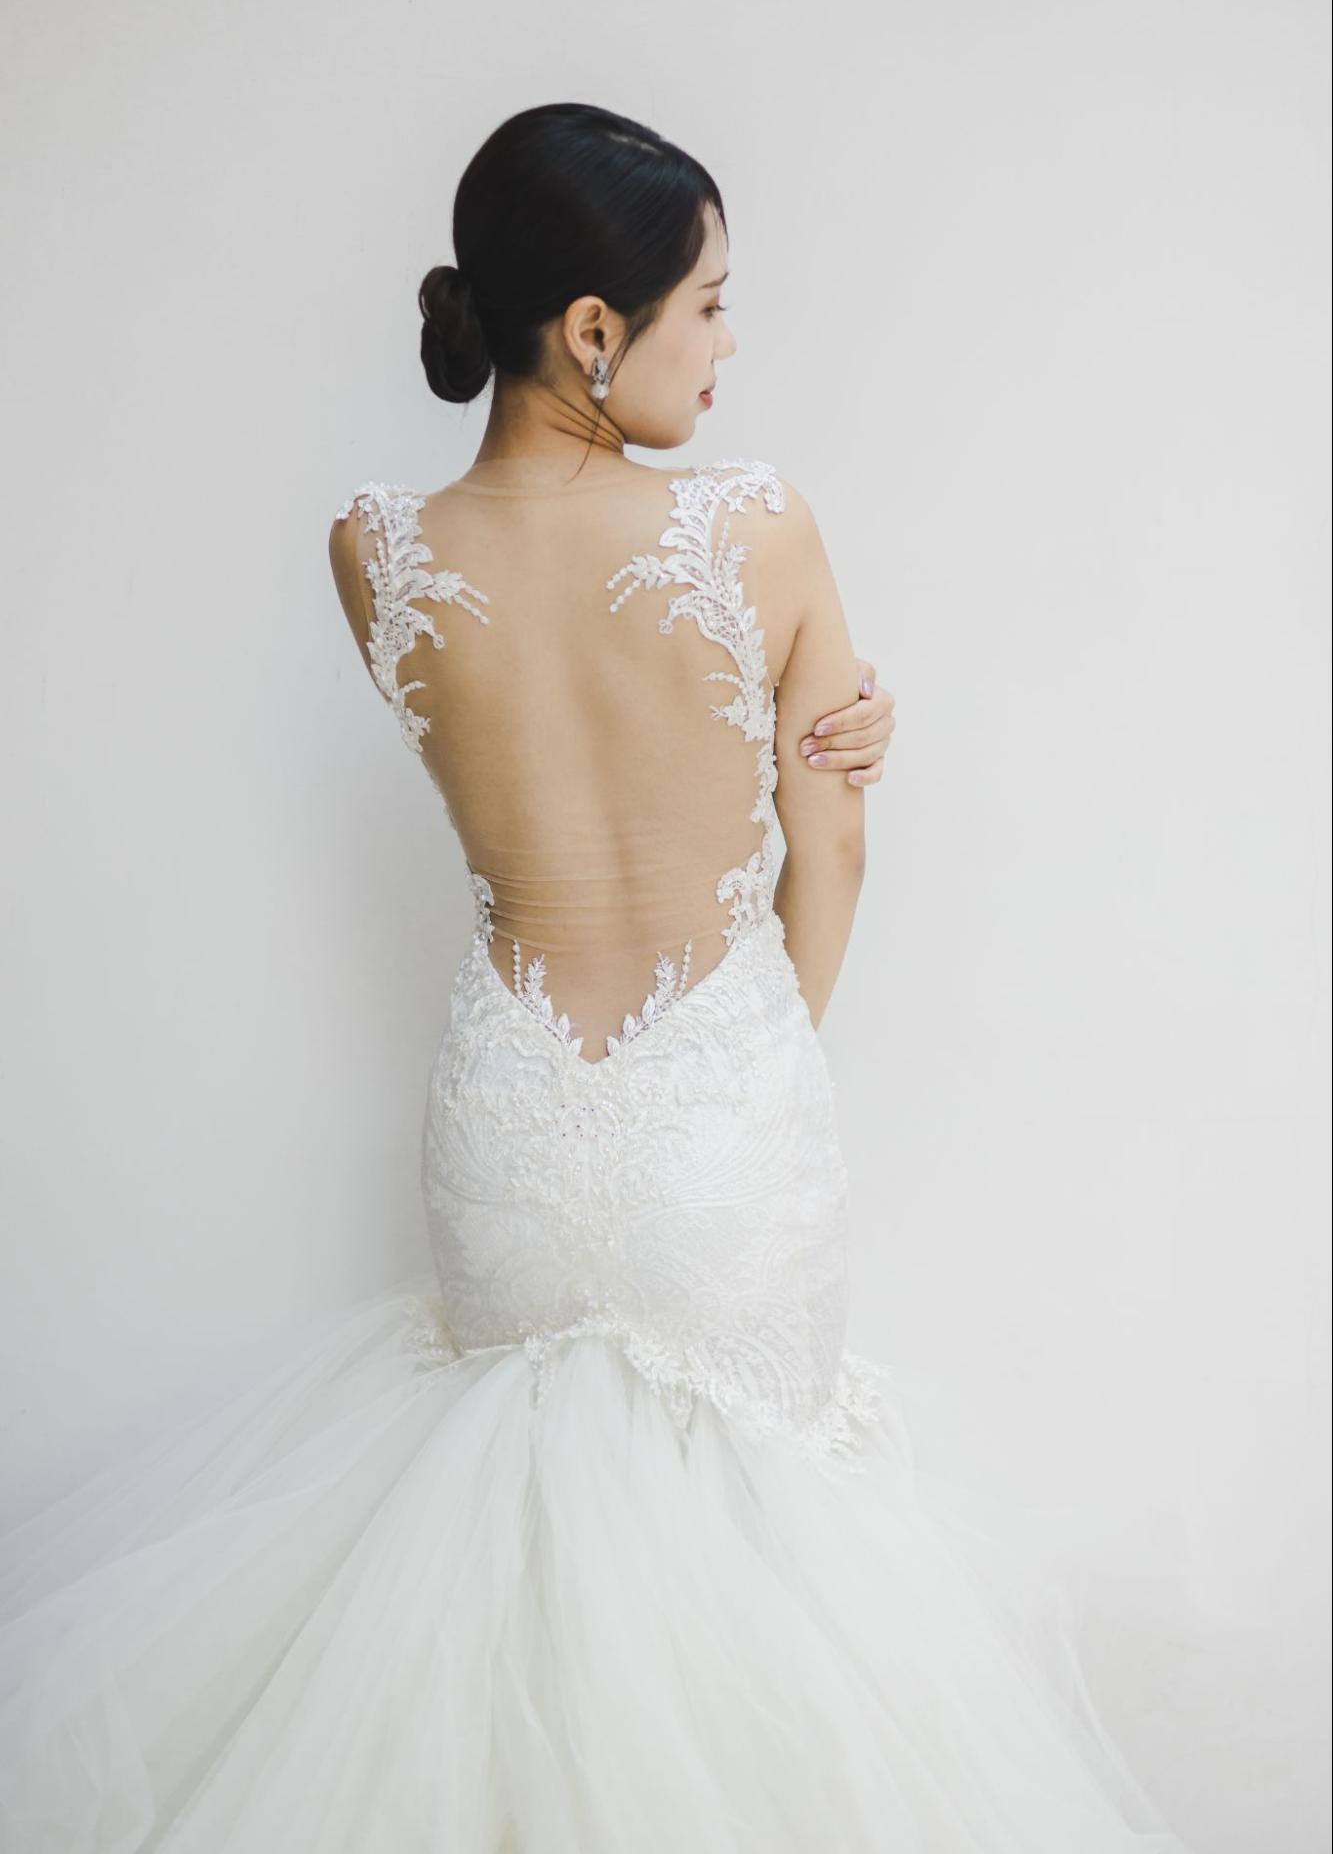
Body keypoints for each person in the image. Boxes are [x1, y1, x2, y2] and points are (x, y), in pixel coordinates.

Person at [0, 102, 1194, 1852]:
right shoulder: (757, 525)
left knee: (517, 1595)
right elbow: (832, 846)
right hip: (715, 1108)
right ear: (588, 330)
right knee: (765, 1589)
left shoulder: (373, 547)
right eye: (706, 304)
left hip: (505, 1114)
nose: (726, 343)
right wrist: (749, 1050)